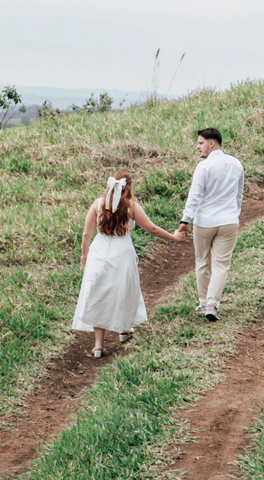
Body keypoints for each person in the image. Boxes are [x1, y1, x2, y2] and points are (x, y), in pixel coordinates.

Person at [72, 170, 183, 358]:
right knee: (124, 289)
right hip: (122, 252)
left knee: (99, 293)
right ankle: (124, 330)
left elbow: (86, 234)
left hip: (99, 251)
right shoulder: (131, 207)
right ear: (128, 188)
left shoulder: (98, 204)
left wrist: (85, 253)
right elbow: (152, 229)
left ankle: (98, 346)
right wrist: (174, 237)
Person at [179, 126, 244, 321]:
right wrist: (235, 214)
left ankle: (202, 301)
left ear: (211, 143)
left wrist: (185, 220)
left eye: (200, 143)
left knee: (202, 261)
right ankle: (212, 304)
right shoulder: (236, 164)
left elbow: (195, 195)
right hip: (229, 220)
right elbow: (239, 194)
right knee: (221, 264)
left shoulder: (204, 166)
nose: (198, 147)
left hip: (205, 221)